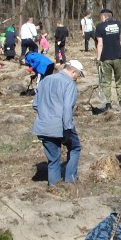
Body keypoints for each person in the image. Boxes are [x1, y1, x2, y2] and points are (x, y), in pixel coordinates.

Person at [32, 60, 84, 189]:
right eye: (78, 75)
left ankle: (54, 187)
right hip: (60, 125)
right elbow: (67, 107)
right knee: (75, 147)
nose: (78, 78)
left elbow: (35, 104)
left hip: (43, 126)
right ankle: (70, 180)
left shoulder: (45, 80)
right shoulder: (69, 84)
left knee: (53, 159)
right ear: (73, 71)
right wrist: (67, 128)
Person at [96, 8, 121, 111]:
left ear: (103, 17)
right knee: (120, 80)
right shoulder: (118, 24)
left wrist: (98, 58)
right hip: (118, 56)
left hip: (106, 57)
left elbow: (100, 44)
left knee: (106, 82)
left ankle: (108, 104)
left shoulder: (100, 27)